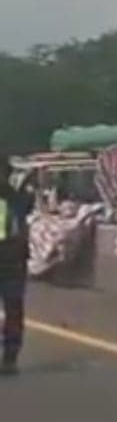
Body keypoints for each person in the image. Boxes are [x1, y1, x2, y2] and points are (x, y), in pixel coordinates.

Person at [0, 156, 35, 376]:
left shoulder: (15, 197)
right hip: (13, 257)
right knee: (13, 307)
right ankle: (10, 357)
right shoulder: (16, 196)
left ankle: (10, 357)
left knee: (13, 307)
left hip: (11, 256)